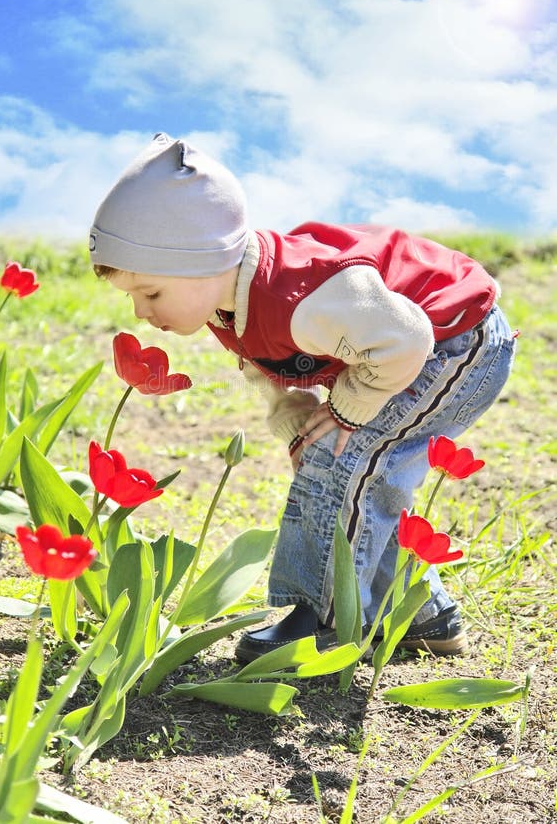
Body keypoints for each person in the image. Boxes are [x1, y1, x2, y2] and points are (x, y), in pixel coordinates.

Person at [89, 132, 517, 663]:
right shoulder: (226, 303)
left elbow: (406, 340)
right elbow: (267, 367)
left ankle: (323, 622)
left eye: (151, 292)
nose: (141, 313)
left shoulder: (301, 295)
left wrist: (346, 409)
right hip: (387, 351)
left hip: (455, 342)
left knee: (350, 461)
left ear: (206, 258)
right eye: (132, 297)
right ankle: (425, 615)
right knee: (342, 468)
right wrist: (297, 422)